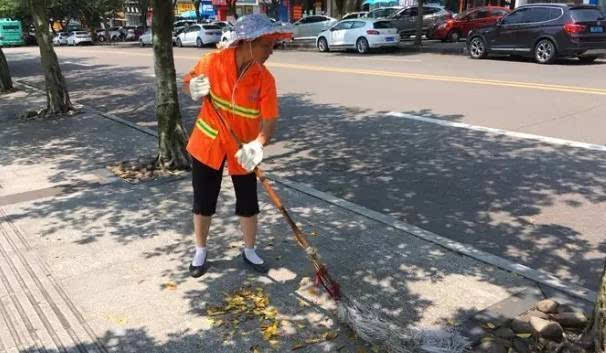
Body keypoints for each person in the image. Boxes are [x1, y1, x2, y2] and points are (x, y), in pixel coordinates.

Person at [183, 14, 293, 278]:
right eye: (266, 45)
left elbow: (269, 120)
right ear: (248, 42)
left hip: (242, 149)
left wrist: (259, 143)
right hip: (207, 144)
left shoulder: (264, 79)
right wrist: (193, 87)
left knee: (248, 199)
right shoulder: (212, 62)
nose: (270, 52)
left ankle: (250, 249)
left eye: (272, 46)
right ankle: (200, 251)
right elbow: (189, 81)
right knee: (204, 199)